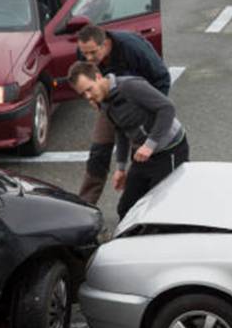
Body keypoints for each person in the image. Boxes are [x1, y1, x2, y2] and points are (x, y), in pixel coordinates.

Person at [68, 61, 188, 219]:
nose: (88, 96)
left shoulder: (130, 87)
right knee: (126, 208)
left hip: (169, 150)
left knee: (160, 208)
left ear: (98, 77)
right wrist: (121, 168)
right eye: (83, 94)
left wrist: (150, 145)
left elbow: (167, 108)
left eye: (89, 89)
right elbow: (121, 130)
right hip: (142, 155)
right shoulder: (104, 100)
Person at [75, 25, 171, 204]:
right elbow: (84, 78)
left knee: (145, 155)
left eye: (92, 53)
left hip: (140, 103)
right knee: (98, 153)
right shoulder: (84, 52)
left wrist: (151, 114)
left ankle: (151, 204)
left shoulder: (132, 47)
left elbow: (162, 78)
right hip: (109, 104)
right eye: (84, 53)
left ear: (105, 44)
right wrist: (96, 101)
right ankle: (86, 206)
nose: (88, 59)